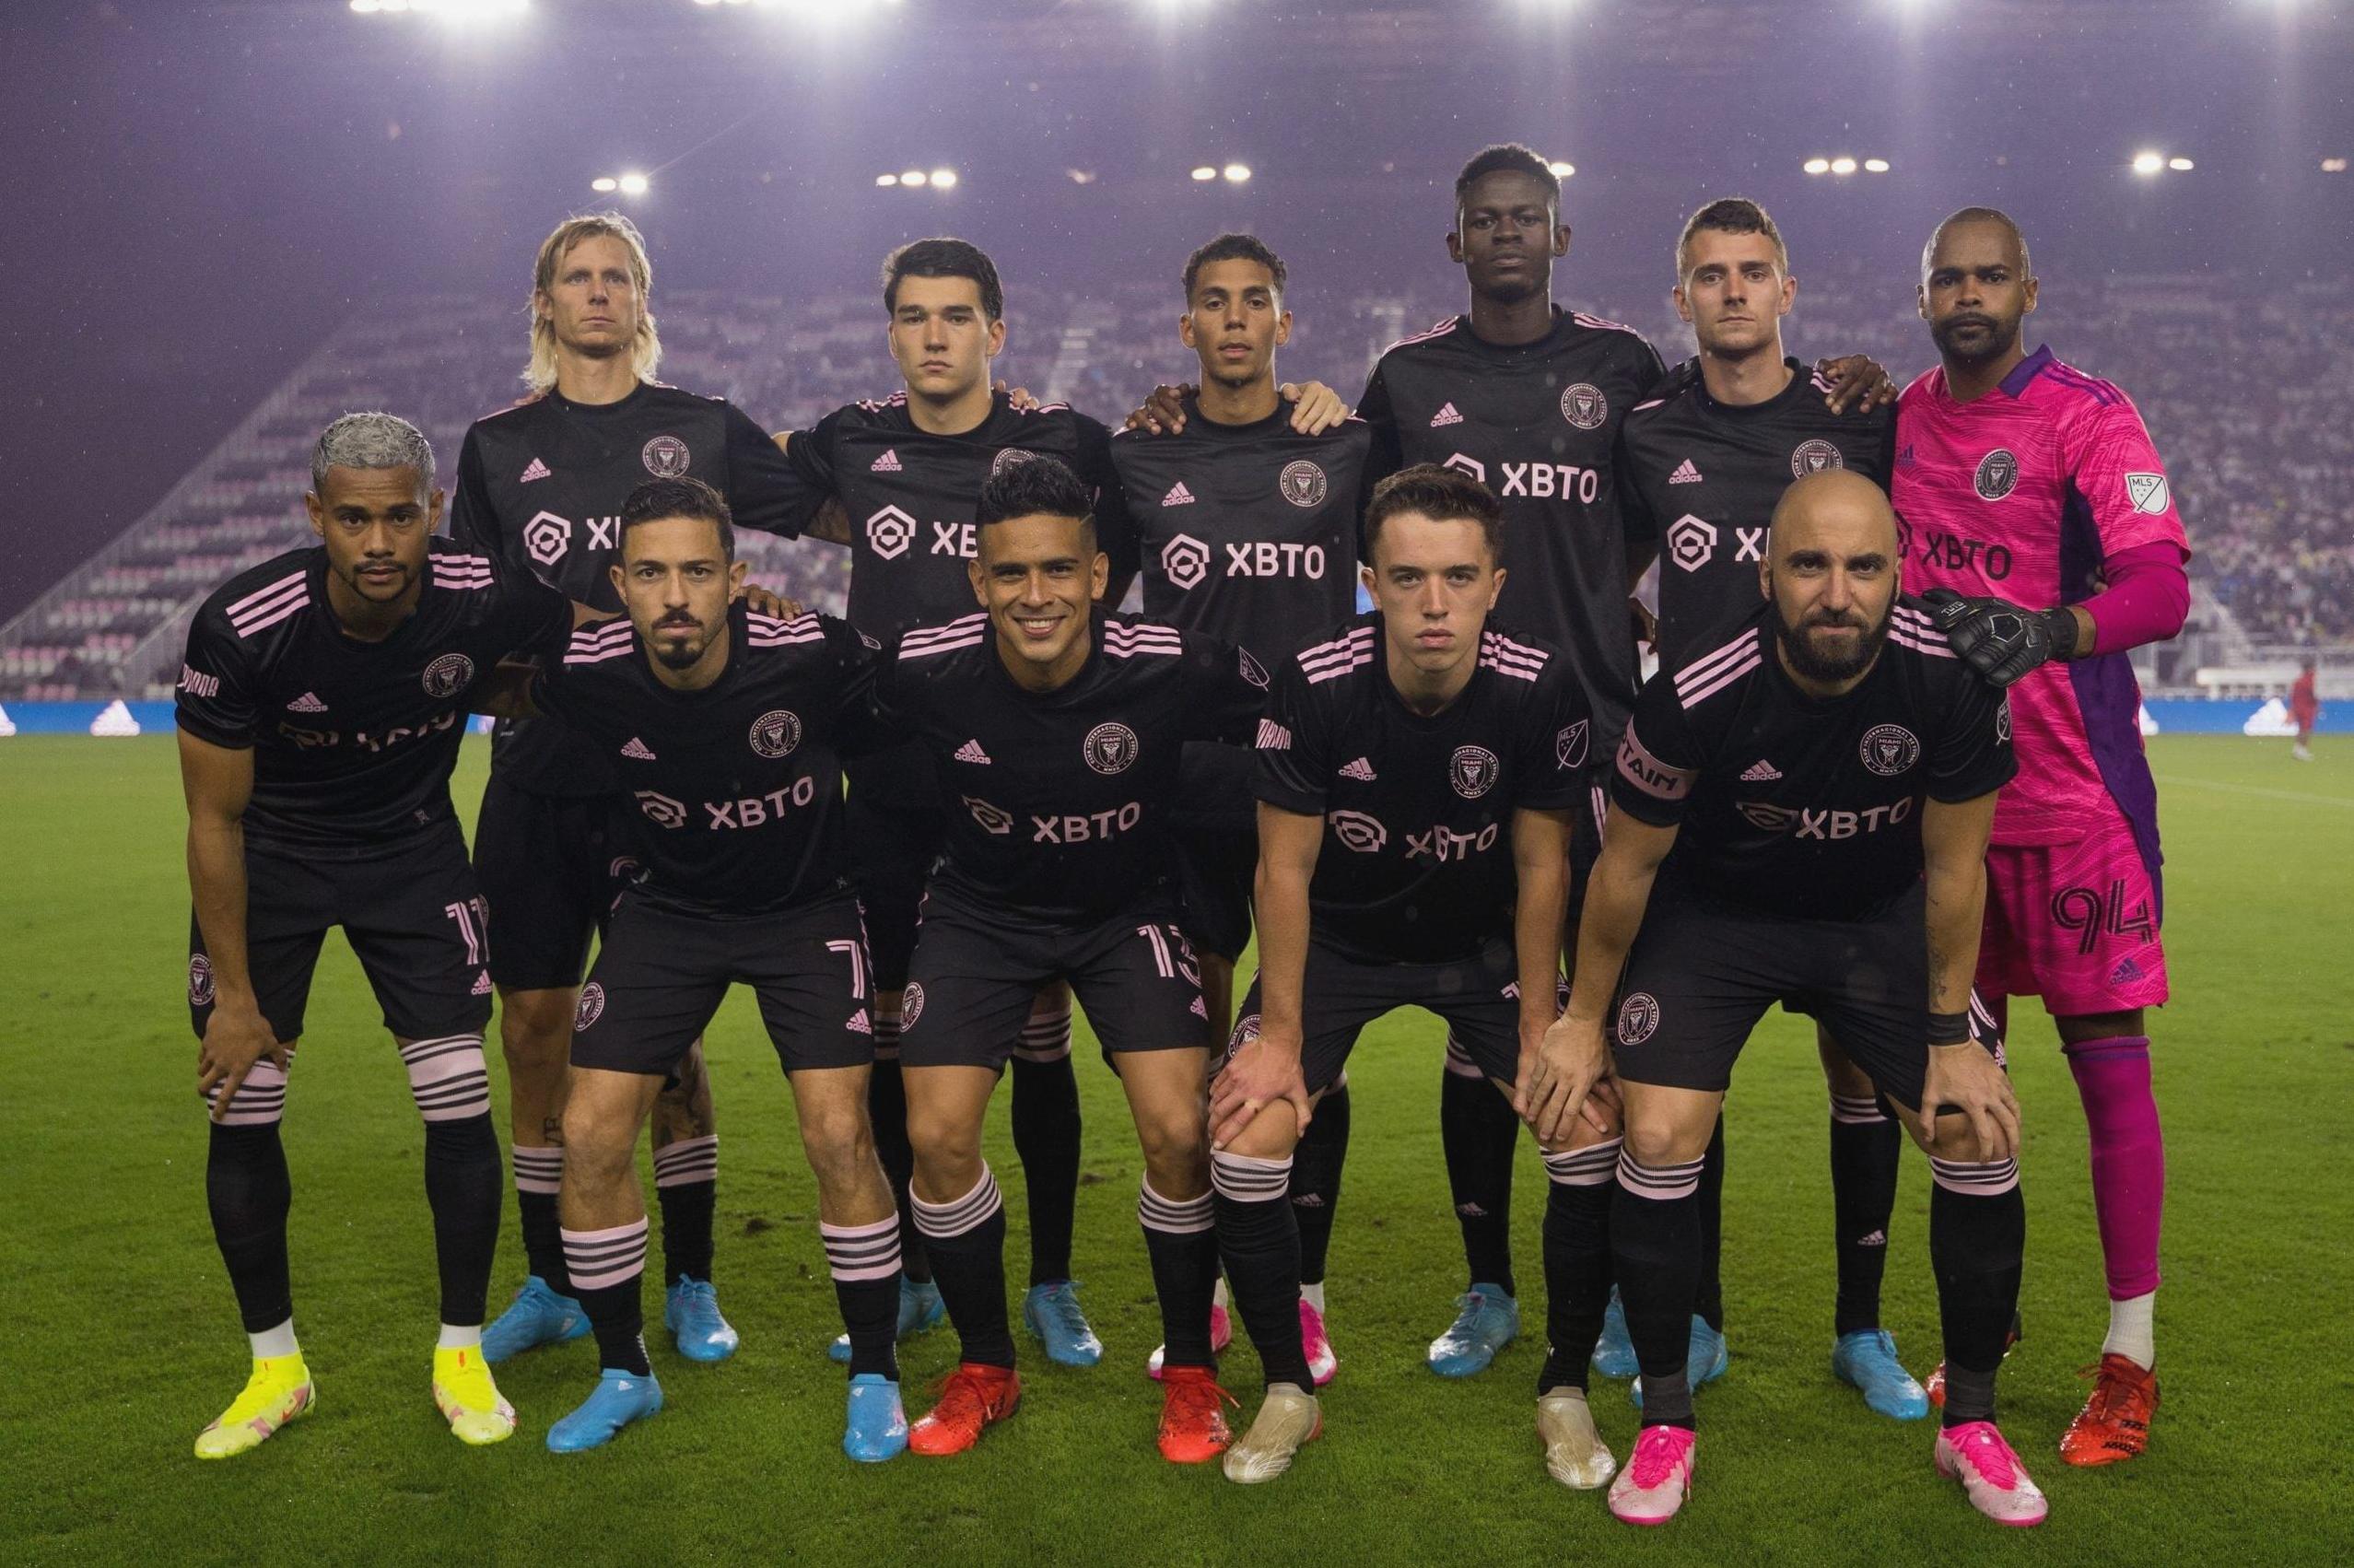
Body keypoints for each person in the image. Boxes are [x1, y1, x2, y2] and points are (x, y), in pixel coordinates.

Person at [1530, 470, 2043, 1526]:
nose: (1835, 592)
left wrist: (1950, 1036)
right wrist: (1581, 1021)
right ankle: (1665, 1419)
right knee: (1662, 1131)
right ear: (1764, 572)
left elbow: (1955, 871)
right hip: (1714, 921)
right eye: (1809, 564)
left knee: (1975, 1126)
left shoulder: (1949, 680)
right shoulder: (1695, 690)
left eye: (1862, 567)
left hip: (1874, 922)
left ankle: (1972, 1427)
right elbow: (1622, 868)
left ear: (1899, 573)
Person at [452, 212, 828, 1367]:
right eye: (578, 277)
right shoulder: (494, 442)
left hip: (671, 785)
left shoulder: (702, 429)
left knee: (662, 1044)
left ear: (642, 302)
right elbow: (471, 599)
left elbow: (836, 505)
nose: (599, 293)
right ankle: (550, 1279)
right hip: (537, 776)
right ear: (545, 304)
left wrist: (772, 618)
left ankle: (694, 1281)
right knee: (530, 1026)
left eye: (618, 276)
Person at [176, 413, 577, 1457]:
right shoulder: (243, 623)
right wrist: (233, 995)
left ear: (431, 511)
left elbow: (593, 628)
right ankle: (275, 1368)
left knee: (456, 1097)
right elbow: (213, 821)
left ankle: (459, 1352)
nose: (379, 542)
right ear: (317, 517)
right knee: (245, 1103)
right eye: (353, 518)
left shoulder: (478, 590)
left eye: (401, 516)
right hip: (274, 861)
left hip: (412, 851)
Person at [1208, 464, 1610, 1489]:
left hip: (1479, 947)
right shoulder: (1314, 680)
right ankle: (1288, 1389)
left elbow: (1540, 865)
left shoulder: (1539, 684)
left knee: (1583, 1122)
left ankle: (1562, 1388)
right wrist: (1282, 1042)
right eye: (1407, 578)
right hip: (1340, 938)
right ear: (1369, 582)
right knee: (1247, 1132)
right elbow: (1282, 871)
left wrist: (1537, 1028)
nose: (1433, 603)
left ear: (1495, 582)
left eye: (1457, 577)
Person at [874, 454, 1266, 1464]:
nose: (1034, 595)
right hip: (979, 911)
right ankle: (984, 1366)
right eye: (1010, 574)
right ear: (977, 580)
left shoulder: (1173, 662)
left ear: (1098, 574)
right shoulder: (923, 667)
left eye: (1057, 569)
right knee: (937, 1133)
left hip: (1122, 909)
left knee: (1181, 1129)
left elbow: (1294, 725)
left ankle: (1189, 1371)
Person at [521, 477, 907, 1458]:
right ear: (618, 583)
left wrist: (882, 899)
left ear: (737, 579)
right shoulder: (582, 667)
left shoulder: (813, 653)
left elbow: (898, 767)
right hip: (670, 912)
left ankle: (874, 1373)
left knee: (835, 1134)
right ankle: (624, 1372)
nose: (676, 595)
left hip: (804, 909)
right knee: (589, 1129)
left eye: (698, 571)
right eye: (650, 574)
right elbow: (566, 782)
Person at [1615, 196, 1920, 1419]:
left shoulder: (1854, 417)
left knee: (1860, 1079)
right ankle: (1695, 1320)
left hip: (1852, 797)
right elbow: (1592, 561)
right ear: (1677, 298)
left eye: (1751, 272)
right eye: (1707, 275)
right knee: (1689, 1078)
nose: (1731, 292)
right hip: (1700, 808)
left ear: (1785, 291)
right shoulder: (1640, 433)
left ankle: (1860, 1327)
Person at [1900, 207, 2191, 1465]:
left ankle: (2127, 1358)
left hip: (2073, 812)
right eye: (1945, 279)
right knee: (1964, 1083)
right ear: (1923, 295)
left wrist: (2052, 631)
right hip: (1947, 815)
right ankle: (1987, 1323)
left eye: (1986, 276)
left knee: (2104, 1066)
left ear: (2025, 284)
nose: (1967, 295)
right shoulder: (1900, 415)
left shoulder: (2087, 413)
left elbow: (2160, 584)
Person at [1111, 232, 1375, 1387]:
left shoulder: (1344, 443)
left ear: (1282, 320)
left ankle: (1302, 1291)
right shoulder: (1134, 455)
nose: (1231, 318)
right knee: (1196, 1043)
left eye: (1252, 301)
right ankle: (1213, 1276)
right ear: (1184, 328)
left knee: (1306, 1039)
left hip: (1310, 781)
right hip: (1184, 779)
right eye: (1210, 301)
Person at [2290, 659, 2319, 761]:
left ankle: (2297, 749)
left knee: (2301, 729)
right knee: (2306, 730)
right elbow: (2312, 694)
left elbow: (2293, 696)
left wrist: (2293, 708)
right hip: (2307, 708)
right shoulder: (2309, 679)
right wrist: (2316, 704)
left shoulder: (2298, 681)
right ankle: (2302, 751)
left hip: (2298, 707)